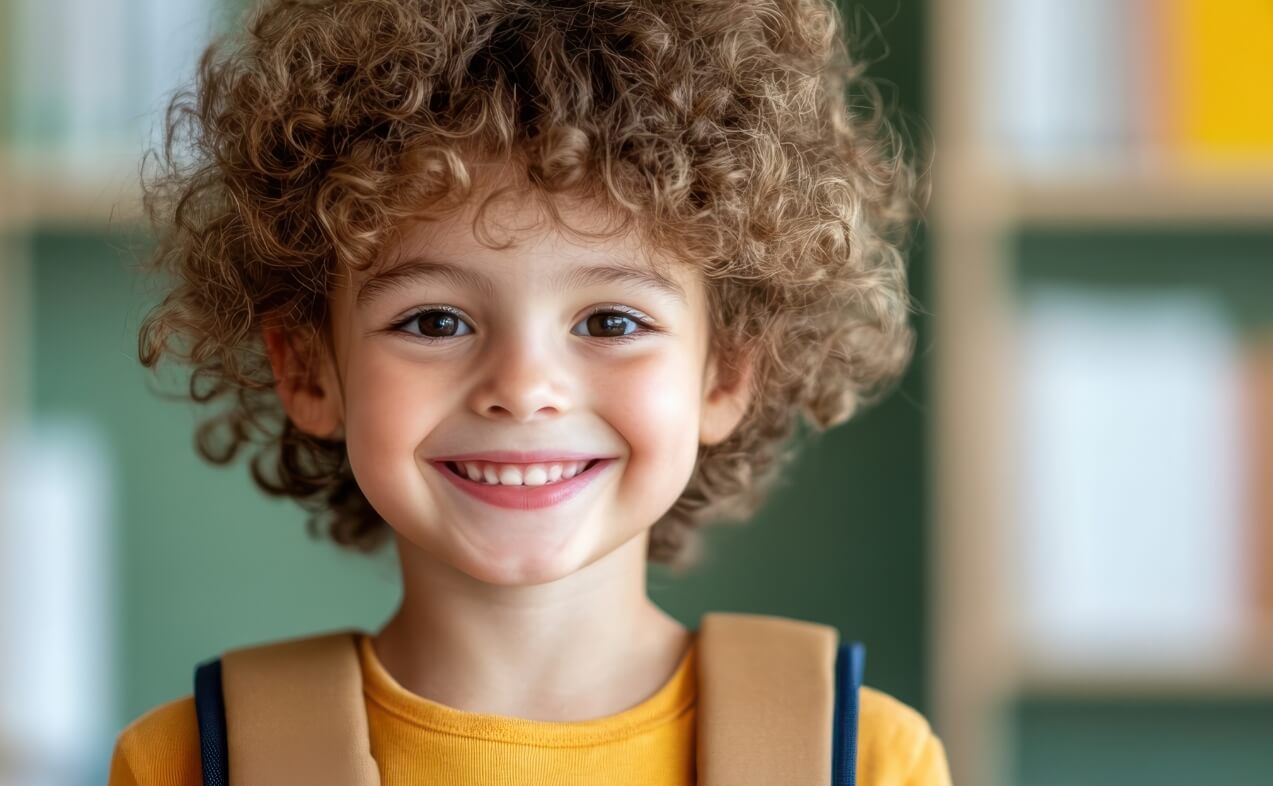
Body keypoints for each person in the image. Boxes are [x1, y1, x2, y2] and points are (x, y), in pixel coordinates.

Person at [107, 0, 949, 783]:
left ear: (725, 371)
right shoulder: (186, 761)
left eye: (611, 323)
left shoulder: (863, 756)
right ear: (306, 370)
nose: (522, 389)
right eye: (435, 322)